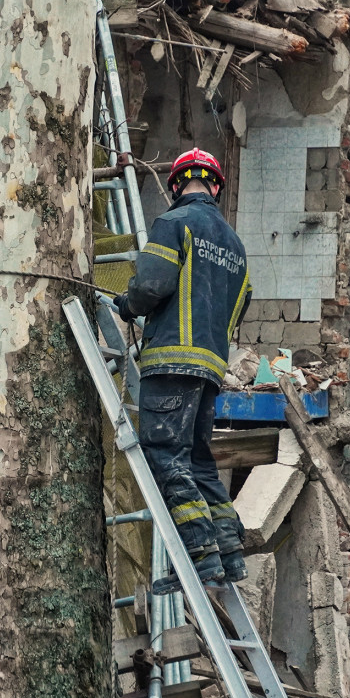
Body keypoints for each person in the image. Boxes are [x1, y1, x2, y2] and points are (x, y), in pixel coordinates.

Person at [113, 148, 252, 594]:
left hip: (171, 363)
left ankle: (201, 555)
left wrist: (128, 304)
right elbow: (242, 303)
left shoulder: (173, 223)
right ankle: (229, 553)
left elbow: (151, 285)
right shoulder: (236, 245)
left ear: (175, 185)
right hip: (210, 370)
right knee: (198, 462)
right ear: (215, 186)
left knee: (165, 456)